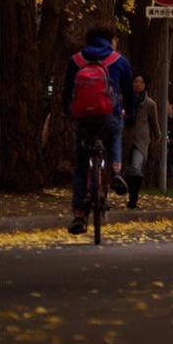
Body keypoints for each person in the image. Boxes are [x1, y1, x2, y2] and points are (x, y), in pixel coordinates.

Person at [63, 24, 134, 235]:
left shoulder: (75, 60)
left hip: (82, 119)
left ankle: (79, 214)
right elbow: (129, 92)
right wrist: (128, 112)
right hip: (108, 116)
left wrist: (67, 111)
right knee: (114, 132)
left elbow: (67, 91)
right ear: (111, 40)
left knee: (81, 164)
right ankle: (115, 171)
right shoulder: (119, 61)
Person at [124, 74, 161, 210]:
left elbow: (154, 122)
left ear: (145, 85)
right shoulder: (125, 100)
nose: (137, 84)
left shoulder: (150, 104)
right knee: (126, 168)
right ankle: (126, 189)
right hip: (126, 137)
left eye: (141, 82)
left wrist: (158, 134)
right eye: (135, 81)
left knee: (136, 167)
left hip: (141, 139)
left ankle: (133, 198)